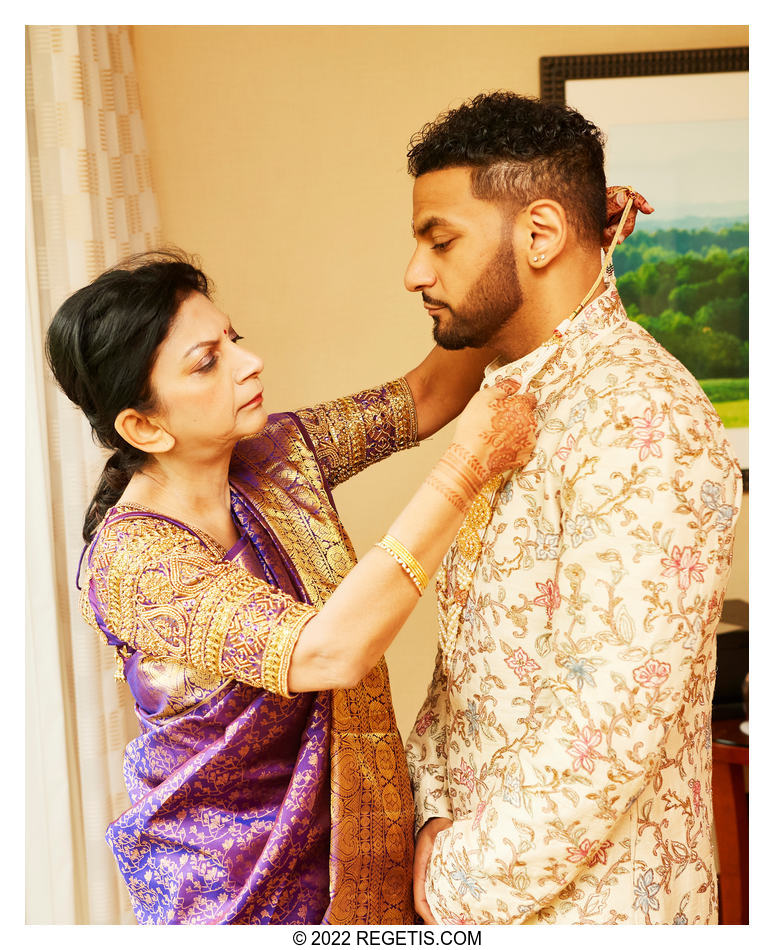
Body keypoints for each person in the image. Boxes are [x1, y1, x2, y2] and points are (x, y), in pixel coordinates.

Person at [46, 250, 537, 924]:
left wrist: (518, 264)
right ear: (143, 426)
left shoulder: (271, 457)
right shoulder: (134, 562)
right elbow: (327, 653)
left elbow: (425, 396)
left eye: (233, 341)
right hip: (232, 895)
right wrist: (468, 468)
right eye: (206, 361)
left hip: (357, 865)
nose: (249, 364)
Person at [403, 92, 742, 926]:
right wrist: (428, 820)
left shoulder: (644, 416)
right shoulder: (513, 393)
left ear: (543, 234)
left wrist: (448, 882)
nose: (415, 272)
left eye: (439, 239)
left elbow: (606, 728)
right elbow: (466, 679)